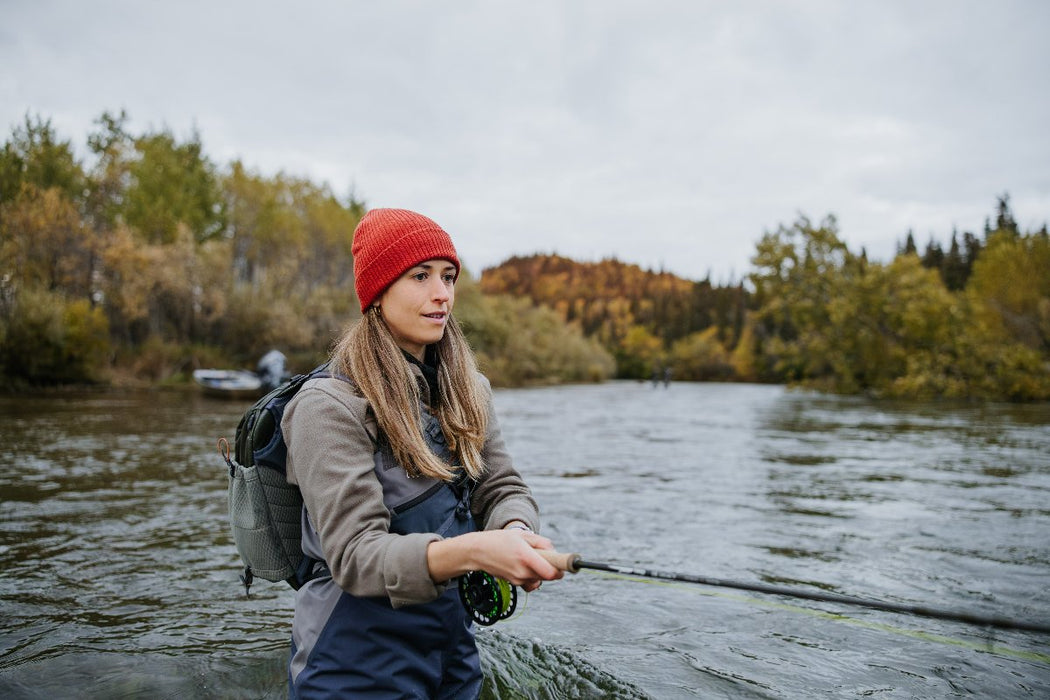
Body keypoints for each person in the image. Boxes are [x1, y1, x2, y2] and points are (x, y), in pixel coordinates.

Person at [281, 208, 563, 698]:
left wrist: (515, 530)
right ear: (378, 291)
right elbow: (356, 555)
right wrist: (478, 551)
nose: (443, 294)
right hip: (352, 662)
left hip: (453, 651)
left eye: (449, 276)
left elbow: (503, 488)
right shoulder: (325, 407)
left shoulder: (470, 388)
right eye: (420, 276)